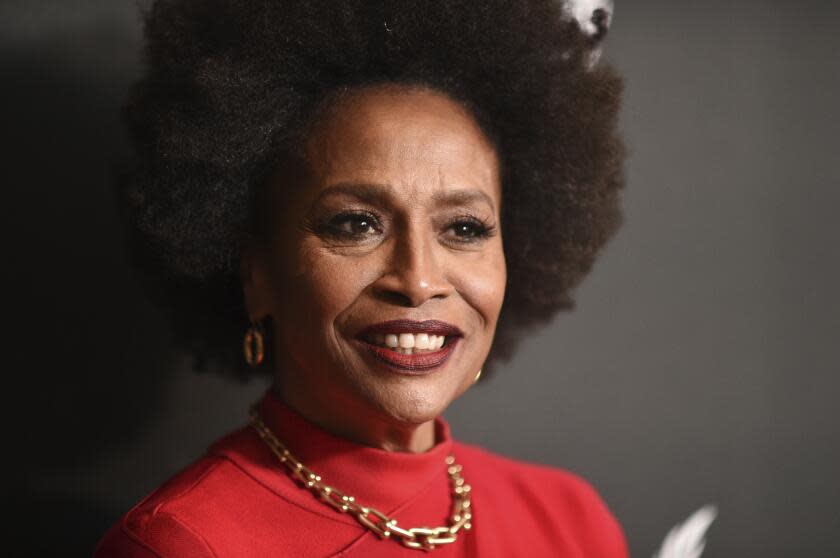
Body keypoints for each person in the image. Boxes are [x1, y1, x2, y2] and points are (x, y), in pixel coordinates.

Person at [94, 0, 627, 556]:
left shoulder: (570, 522)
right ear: (257, 272)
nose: (418, 280)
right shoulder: (183, 544)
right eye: (356, 224)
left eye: (465, 228)